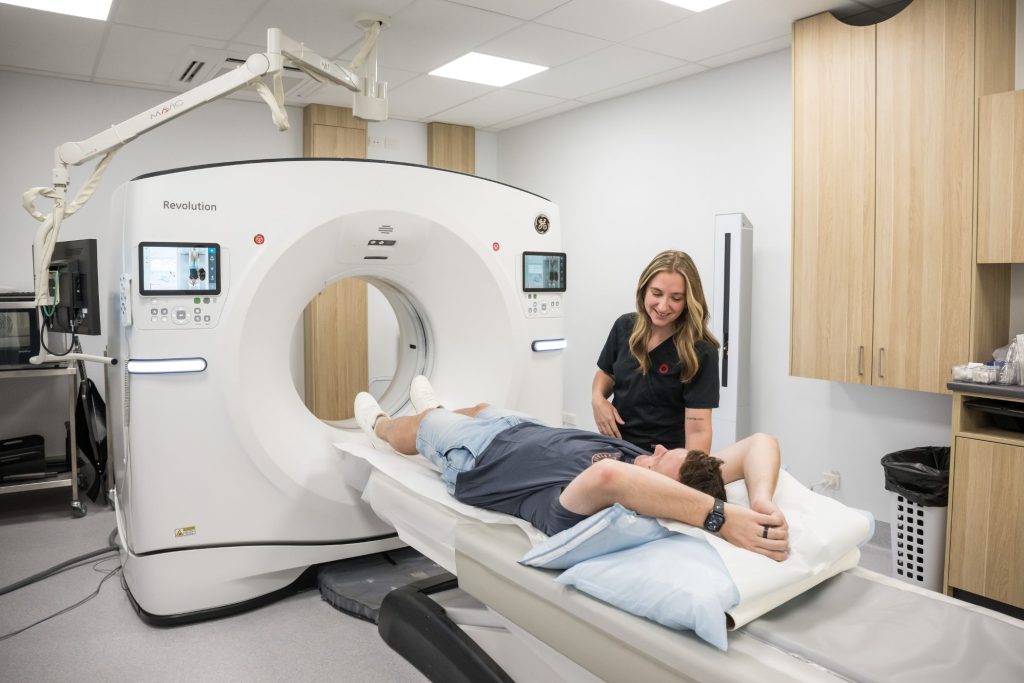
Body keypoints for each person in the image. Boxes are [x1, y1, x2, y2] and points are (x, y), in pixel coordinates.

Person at [355, 377, 789, 562]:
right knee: (481, 406)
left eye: (660, 459)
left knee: (424, 426)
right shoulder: (655, 471)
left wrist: (721, 518)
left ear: (658, 489)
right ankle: (437, 407)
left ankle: (381, 428)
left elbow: (611, 478)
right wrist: (761, 501)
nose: (655, 448)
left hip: (479, 457)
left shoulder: (599, 502)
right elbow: (761, 442)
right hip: (522, 427)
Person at [593, 250, 720, 454]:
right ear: (644, 290)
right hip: (614, 447)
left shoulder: (700, 353)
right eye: (657, 293)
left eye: (676, 298)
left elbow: (698, 431)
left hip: (661, 457)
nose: (663, 306)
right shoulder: (624, 326)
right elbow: (606, 373)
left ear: (688, 301)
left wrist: (690, 471)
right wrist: (598, 399)